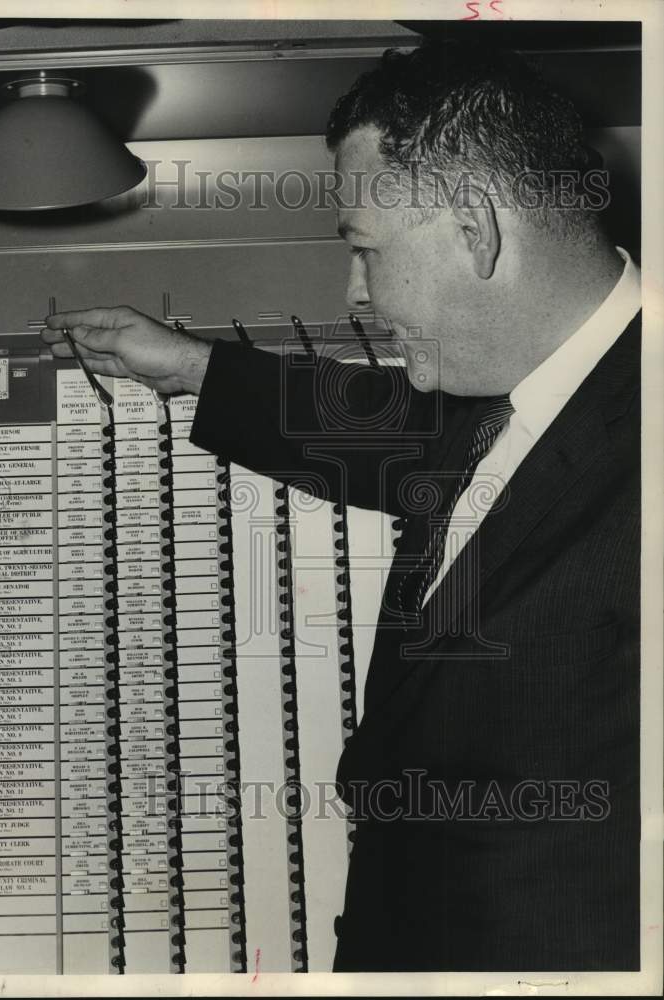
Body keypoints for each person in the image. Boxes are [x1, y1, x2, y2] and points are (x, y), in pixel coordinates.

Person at [42, 40, 641, 971]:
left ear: (474, 230)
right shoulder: (519, 399)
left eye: (363, 250)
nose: (353, 296)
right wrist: (197, 369)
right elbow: (394, 429)